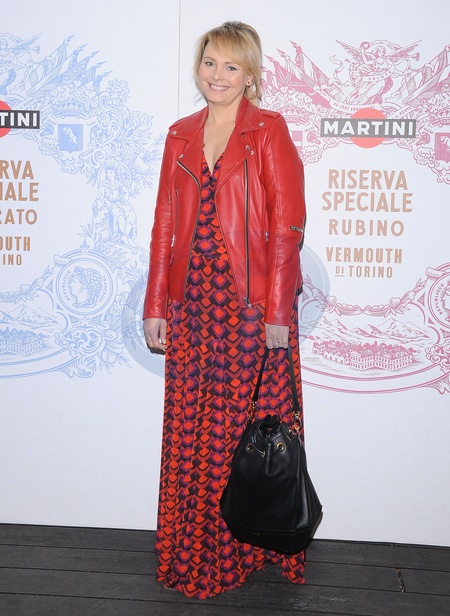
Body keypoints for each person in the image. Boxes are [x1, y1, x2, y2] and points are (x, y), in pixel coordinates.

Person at [143, 21, 306, 599]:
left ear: (250, 75)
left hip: (248, 306)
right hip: (191, 303)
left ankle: (237, 554)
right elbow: (164, 225)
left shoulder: (268, 130)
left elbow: (287, 227)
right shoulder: (180, 134)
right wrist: (156, 303)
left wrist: (278, 313)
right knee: (192, 429)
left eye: (231, 66)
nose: (217, 75)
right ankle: (191, 548)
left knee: (239, 433)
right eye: (210, 62)